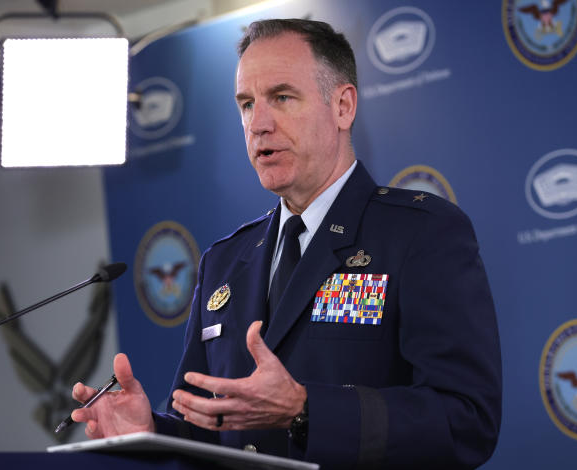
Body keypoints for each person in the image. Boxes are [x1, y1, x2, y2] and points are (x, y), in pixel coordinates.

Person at [71, 19, 502, 469]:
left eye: (281, 97)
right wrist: (153, 432)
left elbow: (467, 421)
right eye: (245, 104)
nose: (258, 124)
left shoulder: (420, 234)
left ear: (343, 106)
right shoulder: (223, 262)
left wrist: (305, 409)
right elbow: (207, 429)